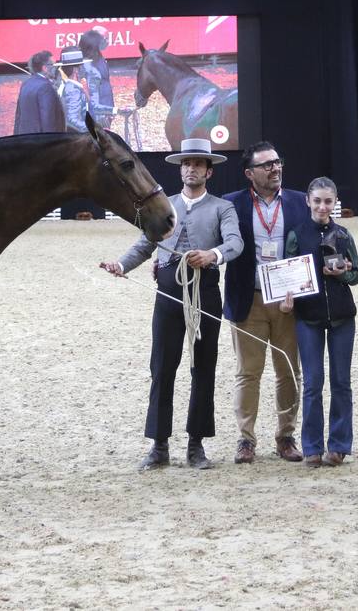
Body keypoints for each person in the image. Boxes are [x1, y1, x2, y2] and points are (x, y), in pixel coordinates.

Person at [100, 138, 243, 470]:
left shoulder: (223, 208)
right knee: (162, 368)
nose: (191, 168)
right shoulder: (165, 205)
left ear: (209, 171)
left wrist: (213, 254)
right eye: (186, 164)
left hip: (204, 290)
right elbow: (145, 243)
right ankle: (159, 445)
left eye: (197, 164)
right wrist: (121, 265)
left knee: (203, 368)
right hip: (167, 291)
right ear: (181, 170)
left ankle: (196, 445)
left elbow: (235, 242)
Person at [223, 141, 309, 464]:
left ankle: (286, 436)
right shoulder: (231, 205)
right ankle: (245, 439)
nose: (275, 168)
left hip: (289, 302)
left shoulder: (301, 202)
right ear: (249, 173)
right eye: (266, 165)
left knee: (289, 371)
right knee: (248, 373)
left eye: (277, 162)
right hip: (250, 300)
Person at [281, 177, 358, 468]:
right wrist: (286, 299)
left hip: (342, 317)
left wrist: (343, 273)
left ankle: (339, 445)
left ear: (335, 203)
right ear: (308, 201)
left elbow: (357, 275)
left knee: (341, 382)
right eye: (317, 201)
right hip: (308, 318)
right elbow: (286, 275)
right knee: (313, 383)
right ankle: (312, 447)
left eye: (328, 201)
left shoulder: (343, 235)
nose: (322, 206)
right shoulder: (296, 234)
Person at [12, 50, 65, 135]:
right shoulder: (46, 87)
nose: (57, 68)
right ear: (45, 68)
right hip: (40, 142)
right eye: (53, 65)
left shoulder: (26, 84)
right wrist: (52, 142)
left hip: (24, 139)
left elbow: (18, 116)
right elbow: (47, 119)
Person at [79, 29, 115, 129]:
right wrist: (102, 115)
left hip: (105, 105)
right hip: (97, 113)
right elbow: (90, 94)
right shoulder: (87, 66)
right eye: (102, 40)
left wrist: (110, 108)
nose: (105, 42)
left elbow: (105, 85)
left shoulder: (99, 59)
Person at [54, 48, 89, 133]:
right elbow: (72, 119)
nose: (83, 68)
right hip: (75, 135)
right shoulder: (73, 89)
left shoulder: (65, 84)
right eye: (81, 65)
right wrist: (93, 129)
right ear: (75, 70)